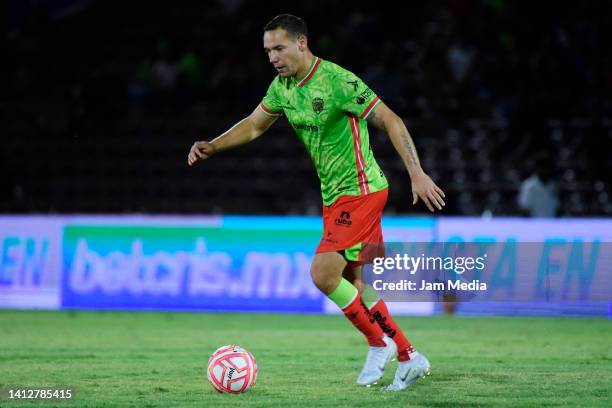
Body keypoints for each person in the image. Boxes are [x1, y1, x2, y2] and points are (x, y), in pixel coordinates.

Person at [187, 14, 446, 391]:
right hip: (336, 196)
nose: (273, 57)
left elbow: (391, 120)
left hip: (361, 191)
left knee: (322, 274)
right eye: (267, 51)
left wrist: (417, 172)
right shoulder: (282, 88)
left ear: (302, 43)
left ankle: (380, 344)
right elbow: (255, 125)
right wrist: (214, 144)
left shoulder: (338, 82)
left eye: (279, 48)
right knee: (353, 282)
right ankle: (407, 355)